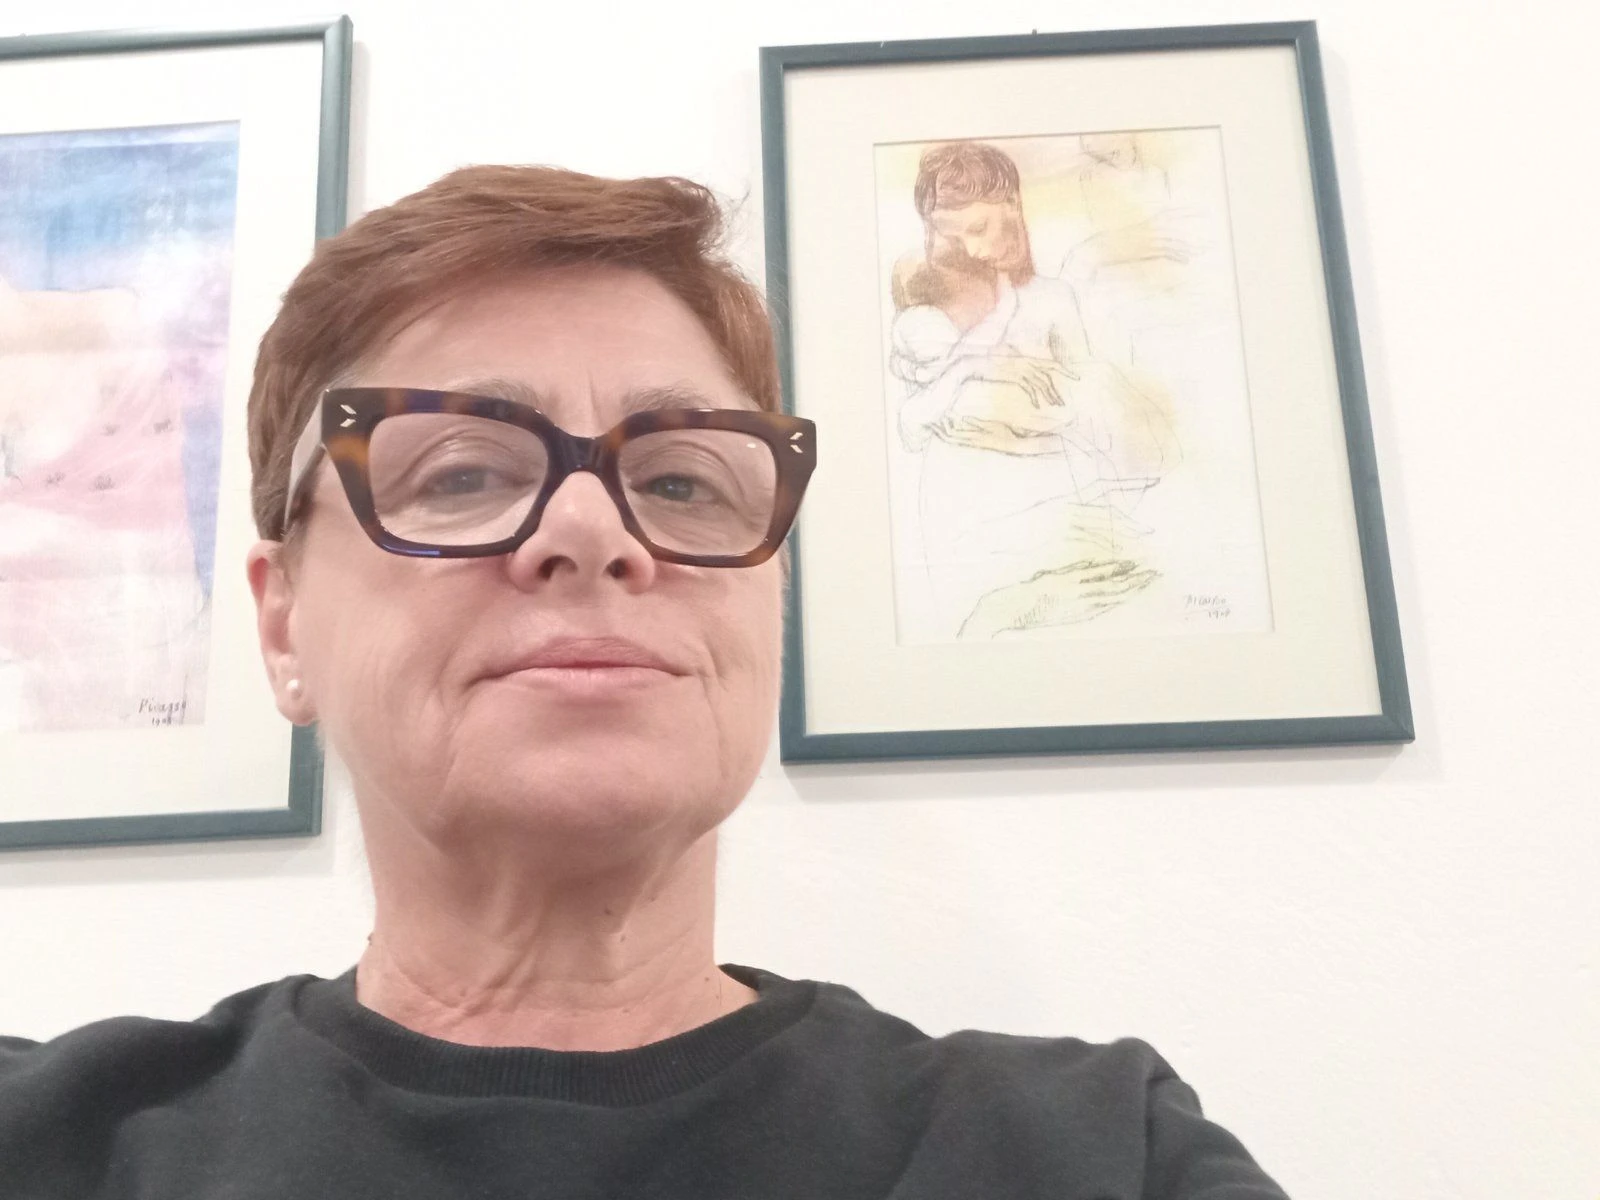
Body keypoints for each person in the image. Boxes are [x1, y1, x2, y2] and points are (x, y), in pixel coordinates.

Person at [0, 165, 1288, 1198]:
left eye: (679, 480)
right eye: (461, 472)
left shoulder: (1096, 1155)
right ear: (283, 624)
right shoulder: (51, 1142)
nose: (593, 529)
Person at [888, 142, 1179, 641]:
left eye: (978, 228)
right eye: (950, 236)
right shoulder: (925, 317)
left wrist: (1026, 418)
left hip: (1046, 492)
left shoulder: (1050, 301)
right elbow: (910, 426)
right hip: (958, 507)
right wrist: (974, 373)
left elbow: (1089, 402)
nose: (970, 250)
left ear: (1012, 208)